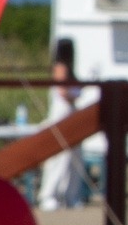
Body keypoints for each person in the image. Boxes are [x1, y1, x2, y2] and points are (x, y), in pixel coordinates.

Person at [38, 36, 91, 212]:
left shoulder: (69, 69)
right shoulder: (60, 67)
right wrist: (75, 95)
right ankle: (49, 194)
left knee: (75, 156)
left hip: (71, 111)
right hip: (62, 112)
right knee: (59, 157)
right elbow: (63, 92)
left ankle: (71, 195)